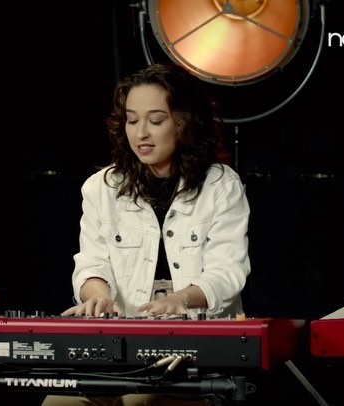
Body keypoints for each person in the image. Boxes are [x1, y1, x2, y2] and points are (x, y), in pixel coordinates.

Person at [42, 63, 251, 406]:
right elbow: (91, 262)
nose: (141, 133)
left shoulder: (221, 185)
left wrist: (179, 300)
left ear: (184, 122)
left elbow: (227, 273)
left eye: (155, 120)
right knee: (60, 402)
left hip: (195, 349)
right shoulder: (101, 187)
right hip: (120, 349)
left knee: (140, 402)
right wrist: (98, 296)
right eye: (132, 120)